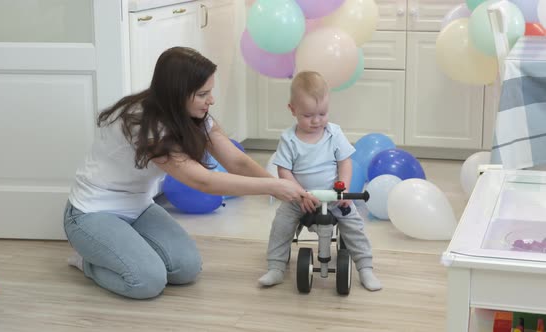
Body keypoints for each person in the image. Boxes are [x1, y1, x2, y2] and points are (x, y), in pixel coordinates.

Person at [63, 47, 307, 299]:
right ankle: (88, 263)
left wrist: (281, 186)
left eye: (210, 91)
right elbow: (202, 181)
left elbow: (237, 161)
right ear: (177, 94)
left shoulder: (192, 115)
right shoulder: (144, 125)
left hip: (138, 206)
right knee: (147, 282)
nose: (211, 100)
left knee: (186, 269)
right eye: (203, 94)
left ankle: (124, 250)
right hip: (92, 212)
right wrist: (273, 188)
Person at [258, 71, 382, 291]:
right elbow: (283, 170)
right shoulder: (289, 139)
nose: (316, 120)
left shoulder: (334, 133)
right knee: (281, 224)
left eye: (322, 113)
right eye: (308, 115)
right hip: (300, 198)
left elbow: (345, 162)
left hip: (332, 197)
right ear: (292, 109)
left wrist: (342, 190)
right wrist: (298, 193)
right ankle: (276, 266)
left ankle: (365, 267)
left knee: (353, 224)